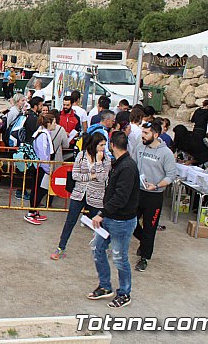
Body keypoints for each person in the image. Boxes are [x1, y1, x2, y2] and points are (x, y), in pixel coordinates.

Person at [88, 131, 138, 309]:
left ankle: (124, 293)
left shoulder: (127, 167)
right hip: (111, 218)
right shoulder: (119, 163)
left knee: (119, 257)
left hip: (122, 222)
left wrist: (102, 213)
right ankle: (105, 286)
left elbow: (121, 197)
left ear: (112, 146)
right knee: (97, 249)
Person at [50, 132, 111, 260]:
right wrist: (91, 176)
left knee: (101, 222)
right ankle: (61, 247)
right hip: (79, 194)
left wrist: (98, 163)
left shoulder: (106, 159)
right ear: (94, 145)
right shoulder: (81, 155)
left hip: (96, 196)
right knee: (70, 221)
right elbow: (75, 175)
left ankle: (105, 247)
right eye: (101, 145)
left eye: (105, 145)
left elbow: (102, 177)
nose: (103, 148)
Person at [131, 121, 177, 272]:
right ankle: (144, 241)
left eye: (146, 133)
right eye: (142, 132)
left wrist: (156, 185)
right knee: (130, 221)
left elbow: (171, 176)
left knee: (150, 228)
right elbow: (133, 165)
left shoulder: (166, 153)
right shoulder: (139, 147)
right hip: (138, 192)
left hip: (154, 196)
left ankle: (144, 257)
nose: (142, 136)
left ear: (156, 135)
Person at [24, 113, 55, 225]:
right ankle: (31, 212)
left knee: (40, 189)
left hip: (42, 166)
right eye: (54, 122)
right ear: (48, 123)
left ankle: (35, 210)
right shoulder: (42, 135)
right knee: (38, 189)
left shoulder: (43, 133)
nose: (55, 125)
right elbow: (42, 154)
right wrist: (47, 169)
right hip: (41, 167)